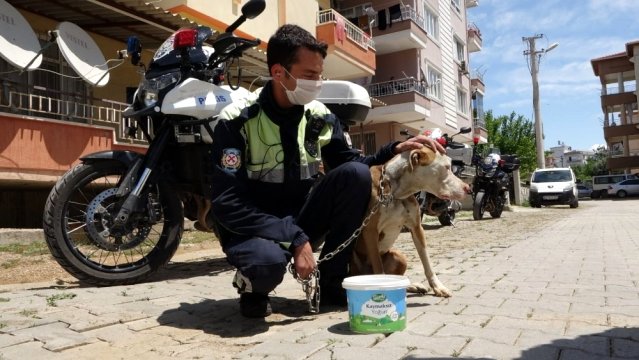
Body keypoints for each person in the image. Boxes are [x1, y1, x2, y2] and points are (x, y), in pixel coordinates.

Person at [209, 24, 444, 318]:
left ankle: (332, 280)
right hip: (256, 226)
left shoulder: (319, 116)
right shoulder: (237, 120)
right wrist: (294, 238)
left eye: (320, 75)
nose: (317, 83)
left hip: (302, 217)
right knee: (265, 266)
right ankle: (251, 287)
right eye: (309, 75)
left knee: (356, 177)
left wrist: (393, 149)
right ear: (279, 73)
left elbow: (349, 164)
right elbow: (227, 203)